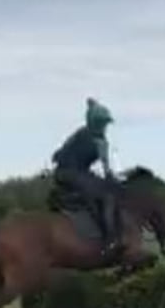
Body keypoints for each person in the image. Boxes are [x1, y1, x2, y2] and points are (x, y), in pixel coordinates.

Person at [51, 97, 122, 258]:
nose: (105, 127)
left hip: (61, 174)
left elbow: (58, 154)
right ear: (98, 123)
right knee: (107, 197)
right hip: (75, 175)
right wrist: (112, 180)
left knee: (94, 185)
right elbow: (106, 170)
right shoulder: (100, 142)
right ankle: (109, 239)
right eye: (104, 124)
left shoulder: (80, 132)